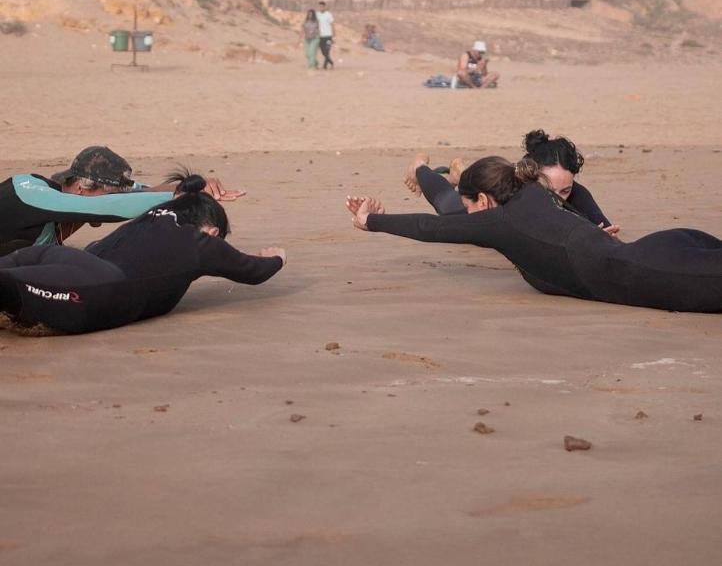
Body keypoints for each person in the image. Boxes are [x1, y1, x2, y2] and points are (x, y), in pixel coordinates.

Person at [346, 157, 722, 313]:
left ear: (482, 199)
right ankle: (432, 168)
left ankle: (433, 168)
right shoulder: (534, 192)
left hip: (656, 269)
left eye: (471, 206)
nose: (469, 216)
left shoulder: (499, 222)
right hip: (669, 245)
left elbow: (432, 227)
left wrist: (370, 222)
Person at [0, 173, 286, 335]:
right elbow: (253, 271)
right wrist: (275, 258)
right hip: (100, 285)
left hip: (55, 257)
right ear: (211, 230)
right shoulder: (198, 240)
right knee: (8, 289)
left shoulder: (145, 221)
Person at [0, 145, 243, 256]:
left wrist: (194, 188)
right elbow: (108, 206)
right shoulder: (30, 191)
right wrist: (177, 198)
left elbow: (141, 194)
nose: (115, 200)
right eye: (110, 194)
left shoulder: (75, 200)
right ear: (81, 188)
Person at [405, 129, 616, 232]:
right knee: (447, 205)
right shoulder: (510, 189)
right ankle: (420, 166)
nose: (557, 198)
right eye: (548, 188)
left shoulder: (577, 193)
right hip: (488, 193)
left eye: (565, 191)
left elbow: (603, 228)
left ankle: (459, 174)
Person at [316, 0, 335, 69]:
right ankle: (331, 62)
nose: (321, 8)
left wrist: (334, 34)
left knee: (327, 50)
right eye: (320, 7)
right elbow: (316, 24)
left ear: (324, 7)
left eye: (322, 7)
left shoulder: (328, 14)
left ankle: (325, 66)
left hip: (328, 36)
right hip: (321, 36)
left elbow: (332, 24)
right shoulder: (317, 14)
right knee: (323, 51)